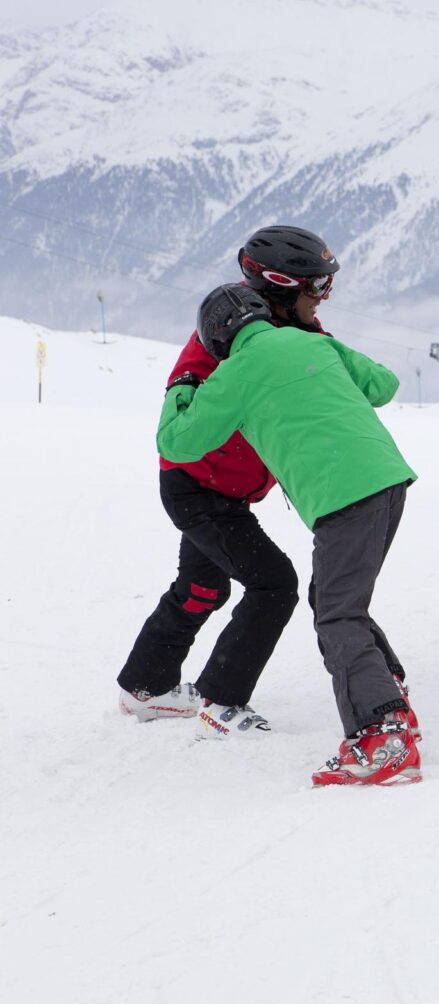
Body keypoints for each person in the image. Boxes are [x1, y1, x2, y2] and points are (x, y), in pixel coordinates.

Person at [157, 283, 421, 786]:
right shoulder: (313, 342)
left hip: (343, 495)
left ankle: (382, 735)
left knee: (338, 614)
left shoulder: (233, 373)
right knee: (335, 602)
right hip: (389, 480)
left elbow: (178, 442)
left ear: (217, 338)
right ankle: (389, 697)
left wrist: (184, 386)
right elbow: (383, 385)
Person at [115, 225, 343, 737]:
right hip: (198, 489)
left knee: (203, 587)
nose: (324, 297)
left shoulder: (299, 334)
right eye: (316, 286)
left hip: (224, 491)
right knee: (274, 585)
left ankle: (145, 686)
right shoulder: (222, 337)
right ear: (280, 287)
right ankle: (222, 704)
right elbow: (181, 413)